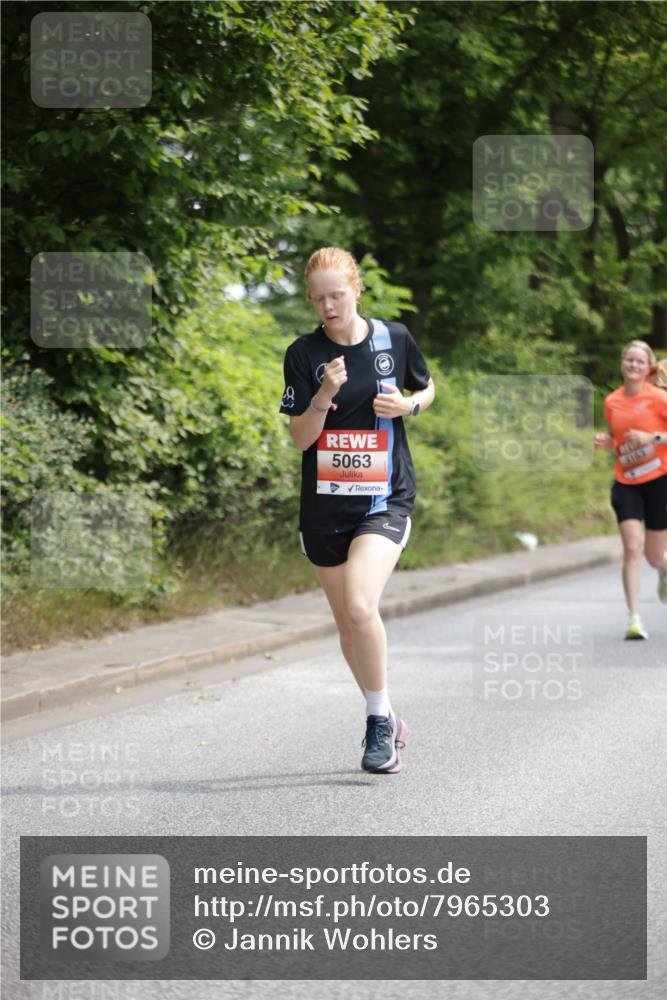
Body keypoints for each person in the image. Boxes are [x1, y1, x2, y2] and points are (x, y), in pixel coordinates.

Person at [279, 247, 435, 772]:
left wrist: (409, 405)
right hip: (323, 507)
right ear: (310, 299)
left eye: (337, 295)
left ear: (357, 290)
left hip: (384, 497)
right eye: (319, 298)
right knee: (348, 624)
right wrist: (324, 392)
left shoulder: (394, 338)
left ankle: (375, 725)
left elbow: (426, 384)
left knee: (362, 605)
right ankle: (389, 711)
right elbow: (302, 439)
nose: (328, 306)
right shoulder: (303, 354)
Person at [595, 340, 667, 639]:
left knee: (653, 556)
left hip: (658, 482)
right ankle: (634, 618)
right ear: (622, 363)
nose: (634, 365)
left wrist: (652, 438)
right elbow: (620, 441)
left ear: (648, 366)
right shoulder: (612, 401)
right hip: (626, 482)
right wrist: (608, 443)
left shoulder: (660, 398)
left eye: (640, 361)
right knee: (632, 547)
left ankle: (663, 570)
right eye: (629, 360)